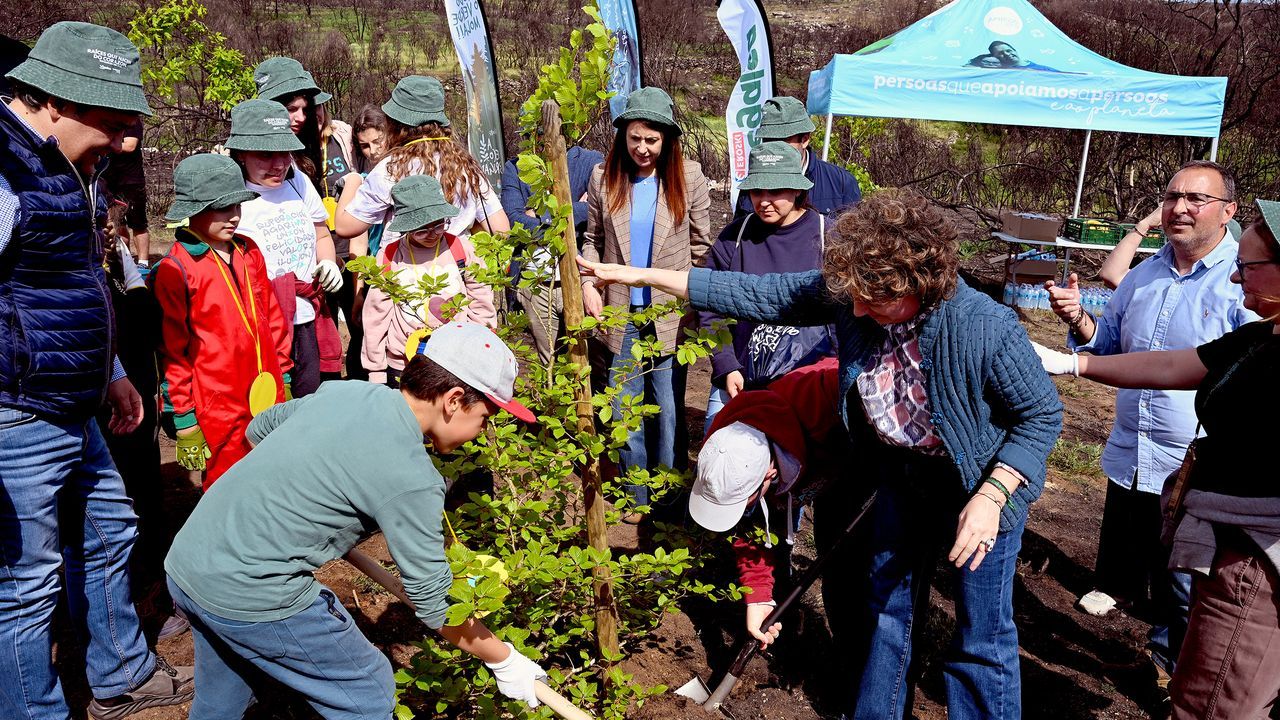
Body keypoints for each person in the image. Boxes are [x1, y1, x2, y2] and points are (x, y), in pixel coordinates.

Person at [579, 188, 1063, 719]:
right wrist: (637, 275)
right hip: (905, 478)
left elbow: (1041, 416)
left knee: (981, 633)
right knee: (888, 611)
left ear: (912, 284)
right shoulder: (855, 298)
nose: (852, 309)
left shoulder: (982, 327)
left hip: (980, 485)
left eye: (869, 299)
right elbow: (755, 293)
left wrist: (993, 496)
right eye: (850, 295)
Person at [164, 322, 544, 719]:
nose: (483, 431)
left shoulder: (349, 391)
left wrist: (316, 493)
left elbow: (261, 429)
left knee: (223, 693)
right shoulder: (412, 477)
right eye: (486, 416)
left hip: (191, 561)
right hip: (252, 590)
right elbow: (435, 606)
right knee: (367, 691)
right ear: (453, 399)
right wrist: (504, 660)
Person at [0, 21, 193, 719]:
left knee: (111, 525)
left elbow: (73, 280)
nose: (120, 141)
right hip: (18, 409)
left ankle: (119, 673)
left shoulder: (69, 165)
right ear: (54, 99)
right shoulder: (5, 165)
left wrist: (110, 370)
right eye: (109, 123)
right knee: (26, 581)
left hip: (75, 399)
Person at [1033, 199, 1280, 720]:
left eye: (1248, 267)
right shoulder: (1262, 338)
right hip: (1226, 534)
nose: (1235, 280)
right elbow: (1173, 364)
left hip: (1256, 555)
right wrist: (1073, 362)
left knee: (1213, 703)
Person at [579, 86, 712, 519]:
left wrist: (694, 298)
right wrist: (589, 283)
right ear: (623, 136)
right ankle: (637, 494)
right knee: (624, 407)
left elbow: (700, 246)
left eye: (651, 140)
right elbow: (593, 240)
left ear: (667, 140)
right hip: (620, 310)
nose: (642, 148)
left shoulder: (688, 177)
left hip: (669, 310)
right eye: (635, 138)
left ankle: (670, 493)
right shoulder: (604, 177)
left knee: (669, 406)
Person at [151, 153, 292, 489]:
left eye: (238, 206)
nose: (234, 217)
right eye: (222, 208)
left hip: (267, 388)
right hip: (217, 405)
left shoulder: (249, 250)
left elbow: (272, 317)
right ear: (194, 209)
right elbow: (172, 352)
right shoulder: (177, 269)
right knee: (227, 486)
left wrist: (283, 373)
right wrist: (183, 419)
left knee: (274, 472)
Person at [702, 141, 835, 425]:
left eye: (775, 191)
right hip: (740, 376)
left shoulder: (828, 237)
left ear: (798, 189)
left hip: (808, 381)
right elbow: (710, 307)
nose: (763, 201)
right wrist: (726, 366)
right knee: (718, 453)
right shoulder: (735, 236)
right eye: (756, 191)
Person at [226, 98, 343, 398]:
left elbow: (321, 234)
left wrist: (328, 262)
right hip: (261, 326)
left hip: (305, 318)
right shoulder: (230, 198)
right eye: (266, 155)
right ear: (241, 154)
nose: (279, 164)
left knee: (309, 400)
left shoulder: (298, 183)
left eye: (285, 153)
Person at [255, 56, 356, 381]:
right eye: (289, 109)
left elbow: (318, 231)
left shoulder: (297, 173)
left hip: (306, 307)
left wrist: (326, 261)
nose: (300, 117)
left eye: (304, 108)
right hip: (262, 314)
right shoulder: (232, 180)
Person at [336, 75, 511, 252]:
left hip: (404, 271)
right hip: (457, 269)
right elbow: (502, 231)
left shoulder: (392, 168)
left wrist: (353, 181)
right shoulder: (465, 164)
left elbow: (345, 227)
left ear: (394, 123)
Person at [362, 175, 496, 387]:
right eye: (421, 230)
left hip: (456, 357)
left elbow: (481, 296)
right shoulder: (389, 256)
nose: (432, 234)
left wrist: (482, 344)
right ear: (405, 228)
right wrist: (376, 370)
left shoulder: (460, 248)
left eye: (438, 225)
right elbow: (376, 316)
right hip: (403, 360)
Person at [501, 140, 603, 365]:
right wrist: (569, 210)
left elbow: (597, 211)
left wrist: (537, 214)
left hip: (582, 279)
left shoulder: (590, 161)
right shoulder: (516, 168)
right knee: (550, 363)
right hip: (535, 284)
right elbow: (514, 221)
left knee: (590, 361)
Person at [732, 96, 861, 221]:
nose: (776, 147)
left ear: (804, 140)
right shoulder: (754, 185)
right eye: (769, 140)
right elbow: (740, 234)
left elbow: (852, 237)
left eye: (783, 141)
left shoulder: (841, 183)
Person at [336, 103, 389, 380]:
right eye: (365, 146)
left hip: (408, 270)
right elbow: (358, 246)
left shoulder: (406, 174)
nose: (374, 151)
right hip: (376, 275)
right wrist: (358, 295)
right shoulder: (365, 183)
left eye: (378, 141)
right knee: (367, 346)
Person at [101, 116, 150, 268]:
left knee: (138, 224)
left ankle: (143, 263)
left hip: (131, 182)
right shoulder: (109, 120)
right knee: (118, 224)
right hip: (111, 182)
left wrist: (103, 142)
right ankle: (126, 261)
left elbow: (130, 145)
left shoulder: (132, 120)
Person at [988, 41, 1061, 72]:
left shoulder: (1044, 70)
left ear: (1015, 51)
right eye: (1001, 53)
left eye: (1008, 51)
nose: (1007, 54)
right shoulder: (1000, 73)